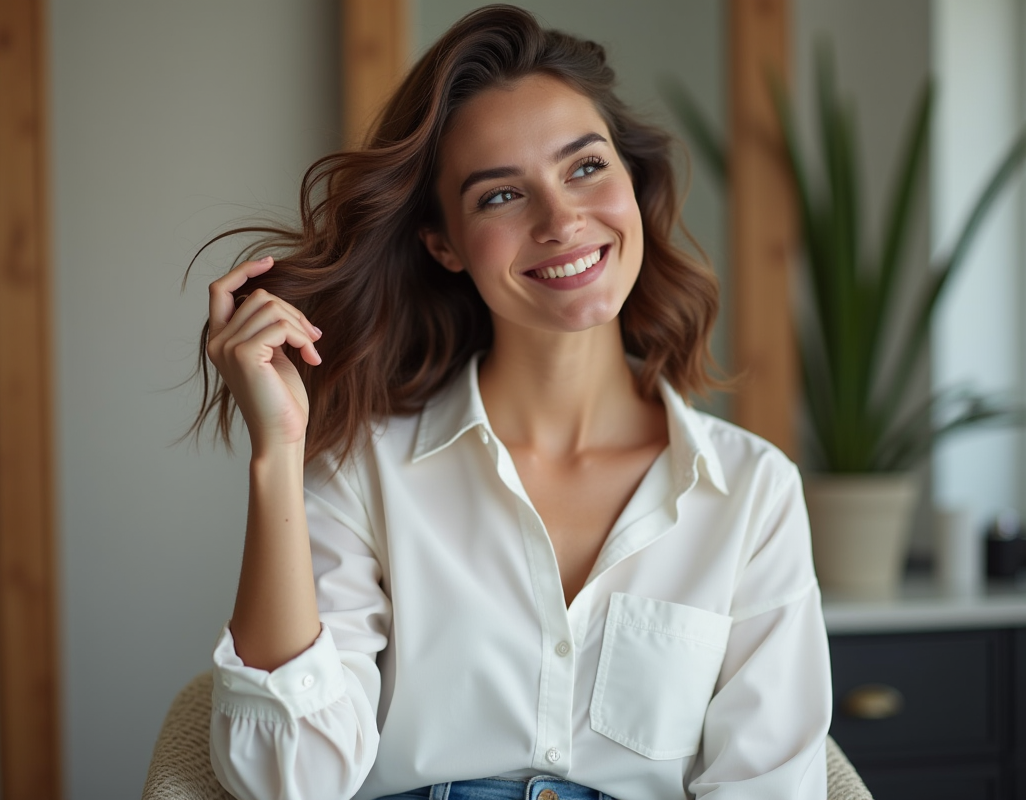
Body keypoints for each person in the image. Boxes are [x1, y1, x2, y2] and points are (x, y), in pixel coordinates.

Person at [194, 7, 830, 799]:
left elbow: (769, 787)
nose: (562, 220)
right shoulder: (363, 470)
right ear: (444, 243)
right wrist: (277, 453)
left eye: (586, 167)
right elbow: (284, 781)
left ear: (633, 182)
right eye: (500, 196)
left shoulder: (752, 493)